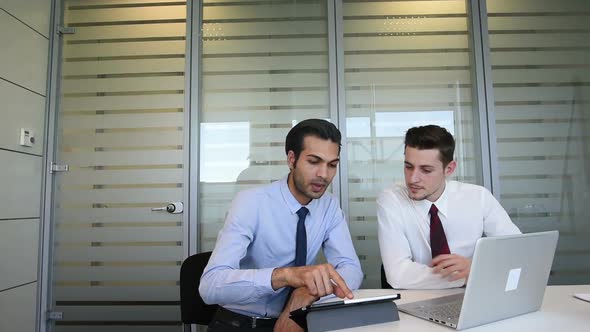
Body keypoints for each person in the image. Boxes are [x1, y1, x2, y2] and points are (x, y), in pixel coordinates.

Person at [200, 119, 363, 331]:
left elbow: (351, 269)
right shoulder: (251, 202)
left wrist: (304, 294)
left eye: (332, 165)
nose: (324, 174)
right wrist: (287, 276)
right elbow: (210, 285)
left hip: (298, 318)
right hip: (241, 323)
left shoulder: (329, 206)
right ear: (291, 159)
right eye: (314, 161)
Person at [377, 125, 520, 289]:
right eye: (408, 166)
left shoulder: (478, 197)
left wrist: (474, 267)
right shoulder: (392, 199)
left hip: (474, 296)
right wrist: (472, 273)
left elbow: (517, 250)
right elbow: (398, 275)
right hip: (419, 298)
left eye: (426, 170)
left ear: (449, 169)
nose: (413, 179)